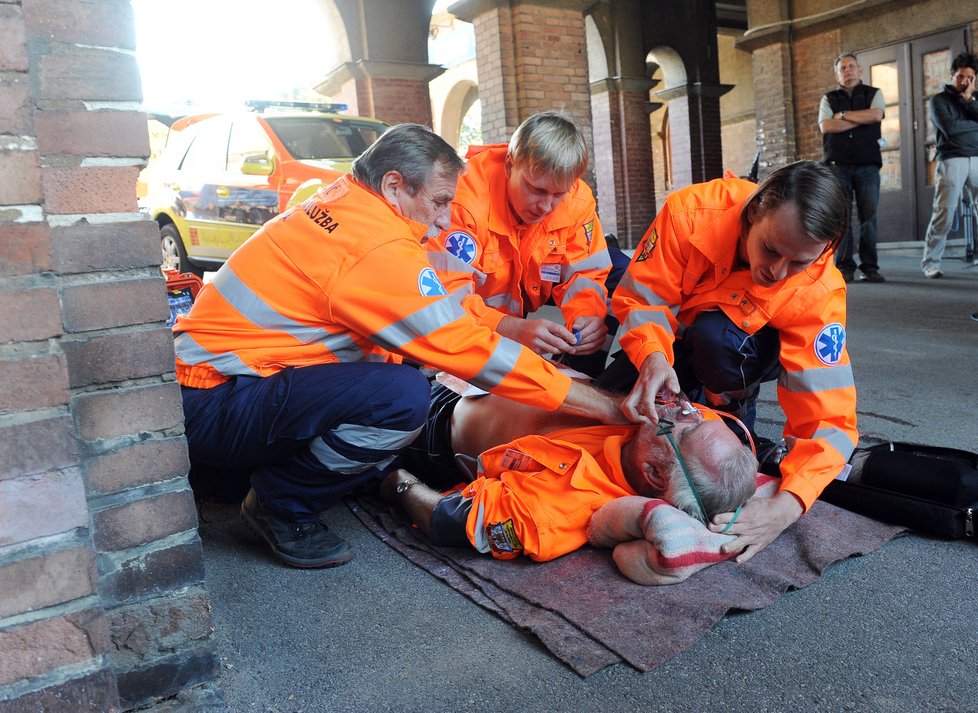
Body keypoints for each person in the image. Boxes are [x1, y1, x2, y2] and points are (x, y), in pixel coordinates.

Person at [173, 124, 627, 569]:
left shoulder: (347, 202)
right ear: (394, 186)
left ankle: (232, 474)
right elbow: (464, 346)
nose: (446, 219)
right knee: (401, 397)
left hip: (212, 386)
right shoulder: (376, 247)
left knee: (394, 379)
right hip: (213, 401)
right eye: (440, 202)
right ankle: (280, 506)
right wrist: (597, 404)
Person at [602, 160, 859, 564]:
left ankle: (731, 398)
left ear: (824, 251)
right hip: (672, 340)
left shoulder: (820, 286)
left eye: (798, 263)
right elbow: (643, 300)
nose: (776, 273)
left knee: (717, 340)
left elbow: (830, 415)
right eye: (771, 250)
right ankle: (695, 384)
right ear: (754, 212)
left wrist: (788, 505)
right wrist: (652, 358)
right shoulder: (690, 213)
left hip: (736, 348)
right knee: (603, 413)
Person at [382, 386, 757, 563]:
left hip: (431, 418)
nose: (687, 409)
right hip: (485, 372)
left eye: (689, 424)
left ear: (655, 475)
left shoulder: (562, 508)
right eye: (699, 415)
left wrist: (394, 479)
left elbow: (446, 521)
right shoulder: (661, 436)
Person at [426, 111, 630, 376]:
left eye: (558, 194)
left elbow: (586, 273)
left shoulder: (577, 199)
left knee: (624, 273)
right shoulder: (461, 201)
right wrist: (510, 328)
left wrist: (587, 317)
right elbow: (445, 299)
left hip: (536, 282)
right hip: (480, 319)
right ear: (510, 166)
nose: (546, 206)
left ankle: (581, 379)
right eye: (537, 189)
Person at [818, 51, 887, 283]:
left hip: (868, 164)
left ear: (860, 70)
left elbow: (876, 114)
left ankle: (870, 267)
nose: (847, 71)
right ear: (837, 74)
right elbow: (826, 126)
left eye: (851, 66)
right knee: (842, 217)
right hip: (838, 165)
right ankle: (845, 267)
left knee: (869, 215)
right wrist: (860, 119)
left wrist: (844, 116)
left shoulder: (874, 94)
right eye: (842, 68)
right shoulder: (828, 98)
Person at [920, 51, 978, 279]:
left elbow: (958, 126)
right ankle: (931, 262)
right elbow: (950, 129)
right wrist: (973, 126)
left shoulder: (974, 99)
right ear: (952, 74)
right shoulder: (938, 100)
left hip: (977, 158)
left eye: (970, 78)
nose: (964, 81)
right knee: (944, 212)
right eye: (961, 76)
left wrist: (969, 100)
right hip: (952, 159)